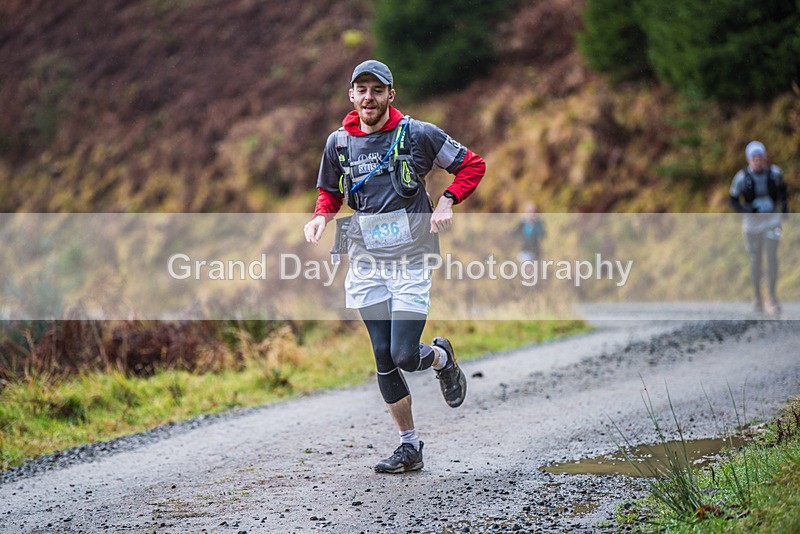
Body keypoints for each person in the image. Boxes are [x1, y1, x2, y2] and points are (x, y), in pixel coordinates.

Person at [303, 60, 486, 473]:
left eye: (376, 90)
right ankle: (409, 447)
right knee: (383, 357)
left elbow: (473, 165)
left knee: (404, 353)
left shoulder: (419, 134)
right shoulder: (338, 144)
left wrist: (447, 200)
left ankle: (440, 358)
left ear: (391, 95)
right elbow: (330, 192)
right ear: (351, 95)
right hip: (366, 259)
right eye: (360, 90)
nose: (368, 97)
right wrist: (320, 216)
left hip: (412, 257)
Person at [729, 140, 788, 316]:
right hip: (752, 225)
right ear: (749, 160)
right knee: (755, 261)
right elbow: (733, 200)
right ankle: (757, 297)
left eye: (760, 157)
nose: (757, 160)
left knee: (772, 258)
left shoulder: (774, 173)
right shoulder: (741, 178)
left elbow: (783, 191)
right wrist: (747, 209)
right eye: (754, 158)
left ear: (764, 158)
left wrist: (785, 210)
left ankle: (772, 297)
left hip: (771, 221)